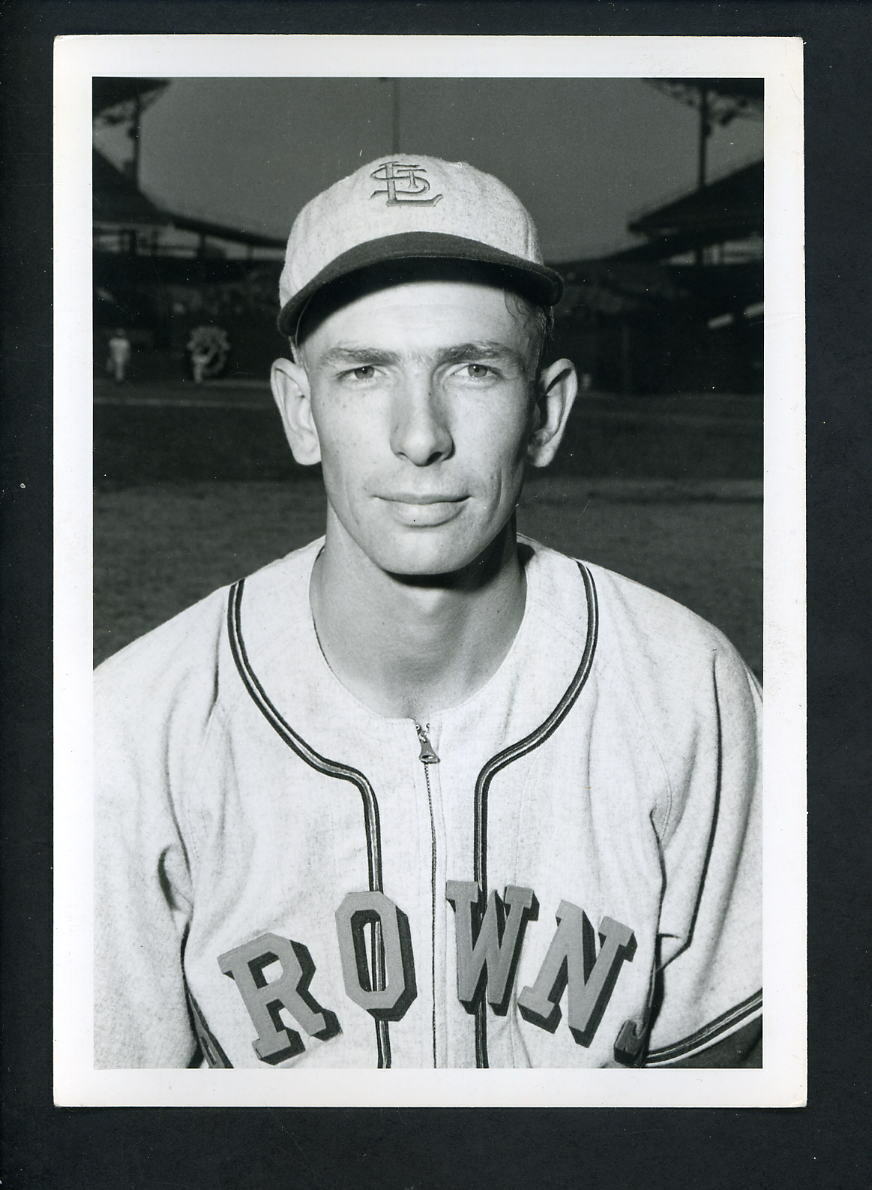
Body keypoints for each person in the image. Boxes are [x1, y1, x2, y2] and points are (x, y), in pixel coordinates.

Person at [95, 155, 761, 1070]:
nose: (421, 436)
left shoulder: (692, 695)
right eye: (364, 371)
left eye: (475, 369)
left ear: (547, 413)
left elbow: (740, 1125)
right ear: (299, 411)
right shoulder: (137, 728)